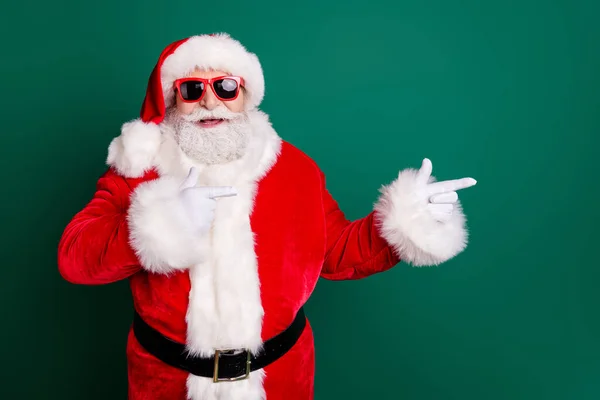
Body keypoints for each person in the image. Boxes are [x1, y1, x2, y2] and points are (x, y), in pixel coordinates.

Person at [57, 32, 477, 400]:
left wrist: (407, 219)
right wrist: (155, 225)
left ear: (244, 96)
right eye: (191, 89)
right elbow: (74, 256)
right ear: (172, 99)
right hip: (166, 383)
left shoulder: (294, 169)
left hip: (279, 382)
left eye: (225, 87)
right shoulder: (138, 172)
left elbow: (336, 251)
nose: (209, 100)